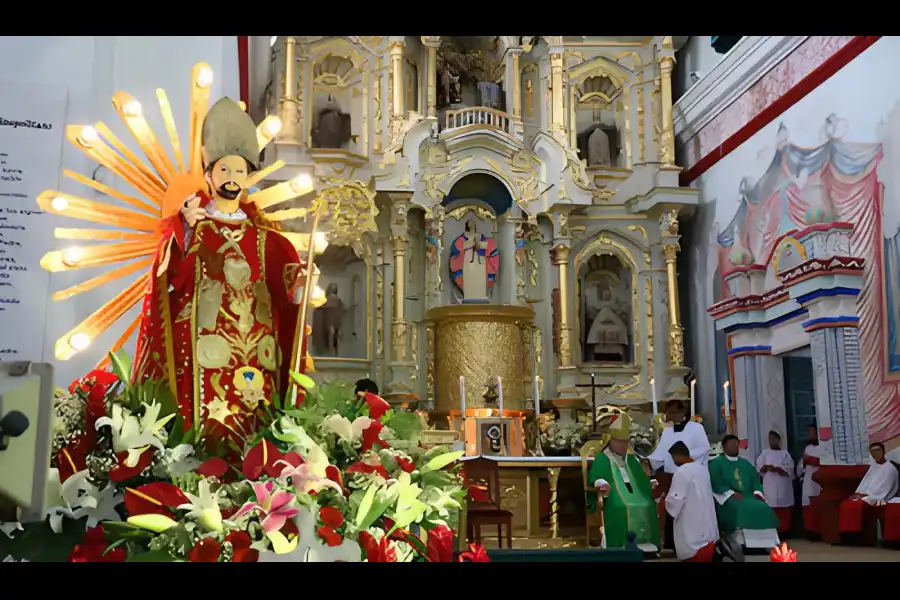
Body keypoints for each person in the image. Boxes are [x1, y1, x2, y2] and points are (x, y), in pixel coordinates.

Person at [132, 97, 310, 436]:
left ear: (248, 177)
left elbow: (286, 297)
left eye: (239, 171)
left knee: (257, 432)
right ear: (209, 175)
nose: (231, 178)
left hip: (258, 358)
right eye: (224, 170)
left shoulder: (268, 241)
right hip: (203, 355)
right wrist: (184, 231)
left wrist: (298, 288)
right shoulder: (191, 227)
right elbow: (171, 279)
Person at [587, 412, 660, 552]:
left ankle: (648, 544)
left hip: (636, 495)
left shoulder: (632, 459)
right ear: (611, 440)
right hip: (614, 495)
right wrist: (601, 483)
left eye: (625, 442)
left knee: (648, 504)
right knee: (620, 507)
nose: (623, 446)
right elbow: (596, 477)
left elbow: (641, 480)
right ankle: (619, 545)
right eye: (619, 442)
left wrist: (649, 483)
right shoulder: (603, 458)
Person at [647, 399, 710, 550]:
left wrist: (686, 457)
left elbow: (704, 447)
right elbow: (661, 452)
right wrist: (648, 462)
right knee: (672, 508)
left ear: (682, 412)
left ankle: (694, 544)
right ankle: (672, 543)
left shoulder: (696, 428)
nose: (670, 415)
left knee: (688, 511)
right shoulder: (667, 432)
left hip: (690, 478)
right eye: (668, 412)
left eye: (674, 411)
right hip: (672, 477)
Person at [708, 434, 780, 549]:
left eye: (736, 444)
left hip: (749, 496)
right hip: (729, 497)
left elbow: (756, 480)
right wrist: (731, 493)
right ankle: (741, 540)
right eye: (731, 444)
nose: (735, 447)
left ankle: (769, 541)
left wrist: (757, 492)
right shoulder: (717, 463)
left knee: (763, 506)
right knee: (739, 508)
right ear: (724, 447)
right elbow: (716, 482)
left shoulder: (745, 463)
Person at [665, 441, 719, 562]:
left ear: (677, 456)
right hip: (707, 529)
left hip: (692, 530)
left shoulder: (682, 471)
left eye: (673, 457)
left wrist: (665, 502)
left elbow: (676, 501)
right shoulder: (702, 469)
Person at [838, 442, 899, 538]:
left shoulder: (890, 468)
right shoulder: (873, 467)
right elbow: (865, 483)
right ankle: (848, 536)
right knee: (846, 504)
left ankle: (857, 537)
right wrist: (858, 493)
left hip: (879, 499)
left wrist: (865, 495)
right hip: (866, 496)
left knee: (858, 505)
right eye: (873, 452)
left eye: (877, 451)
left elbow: (884, 488)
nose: (876, 454)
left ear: (883, 451)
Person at [756, 431, 795, 533]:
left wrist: (776, 469)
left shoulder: (785, 454)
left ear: (778, 440)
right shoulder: (765, 453)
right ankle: (772, 530)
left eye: (773, 438)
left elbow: (789, 470)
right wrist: (766, 467)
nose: (771, 441)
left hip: (783, 486)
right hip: (770, 485)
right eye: (770, 439)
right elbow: (759, 468)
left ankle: (784, 531)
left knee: (784, 510)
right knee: (771, 507)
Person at [796, 425, 822, 537]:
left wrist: (813, 460)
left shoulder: (823, 447)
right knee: (807, 505)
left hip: (820, 480)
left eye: (813, 432)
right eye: (809, 432)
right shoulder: (807, 448)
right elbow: (799, 468)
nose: (811, 435)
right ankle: (809, 532)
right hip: (808, 480)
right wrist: (805, 461)